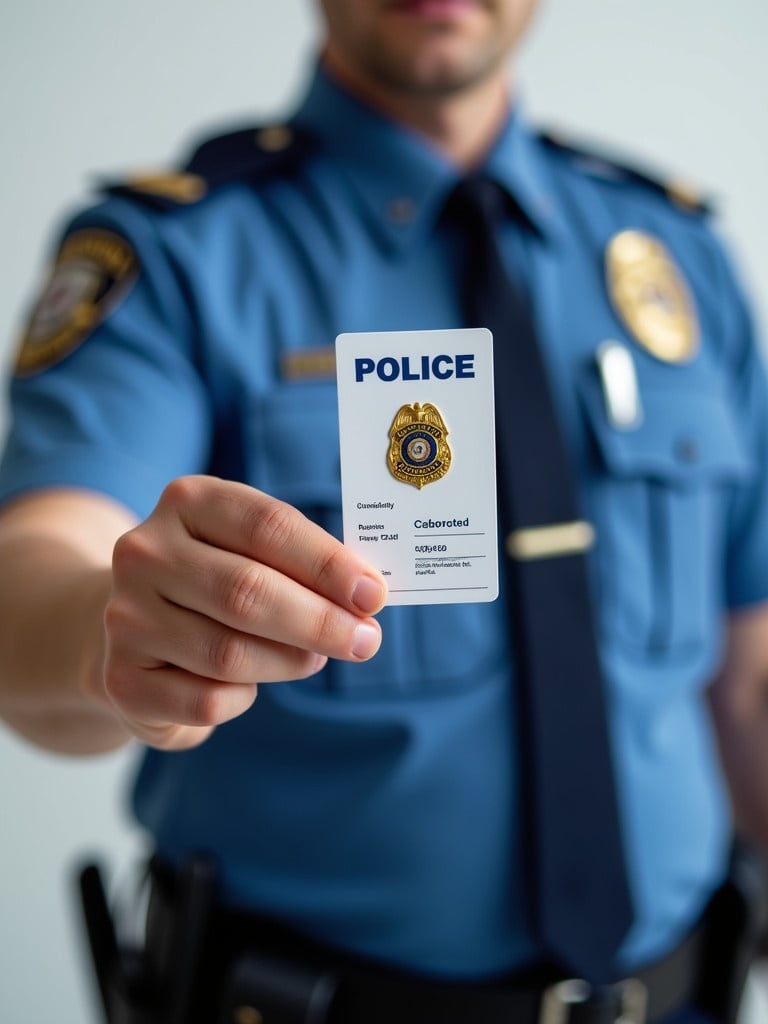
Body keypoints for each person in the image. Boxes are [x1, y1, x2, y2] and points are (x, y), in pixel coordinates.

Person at [1, 1, 767, 1022]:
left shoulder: (676, 254)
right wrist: (114, 632)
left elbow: (750, 675)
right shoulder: (176, 253)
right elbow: (39, 562)